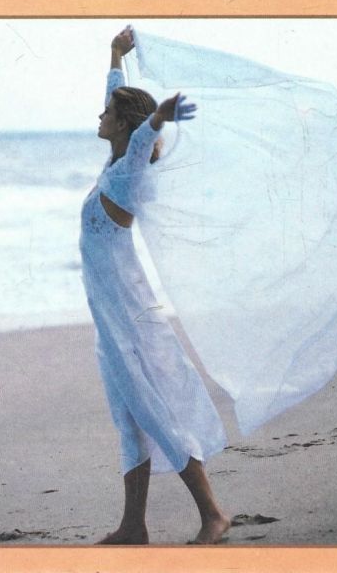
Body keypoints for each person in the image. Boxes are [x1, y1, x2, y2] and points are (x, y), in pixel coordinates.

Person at [79, 27, 230, 545]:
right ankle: (133, 525)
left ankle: (213, 514)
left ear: (123, 124)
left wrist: (159, 117)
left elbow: (140, 138)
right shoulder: (113, 166)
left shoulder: (127, 174)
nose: (100, 115)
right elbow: (121, 111)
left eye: (108, 113)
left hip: (131, 322)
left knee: (155, 412)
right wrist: (114, 55)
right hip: (110, 322)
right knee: (128, 421)